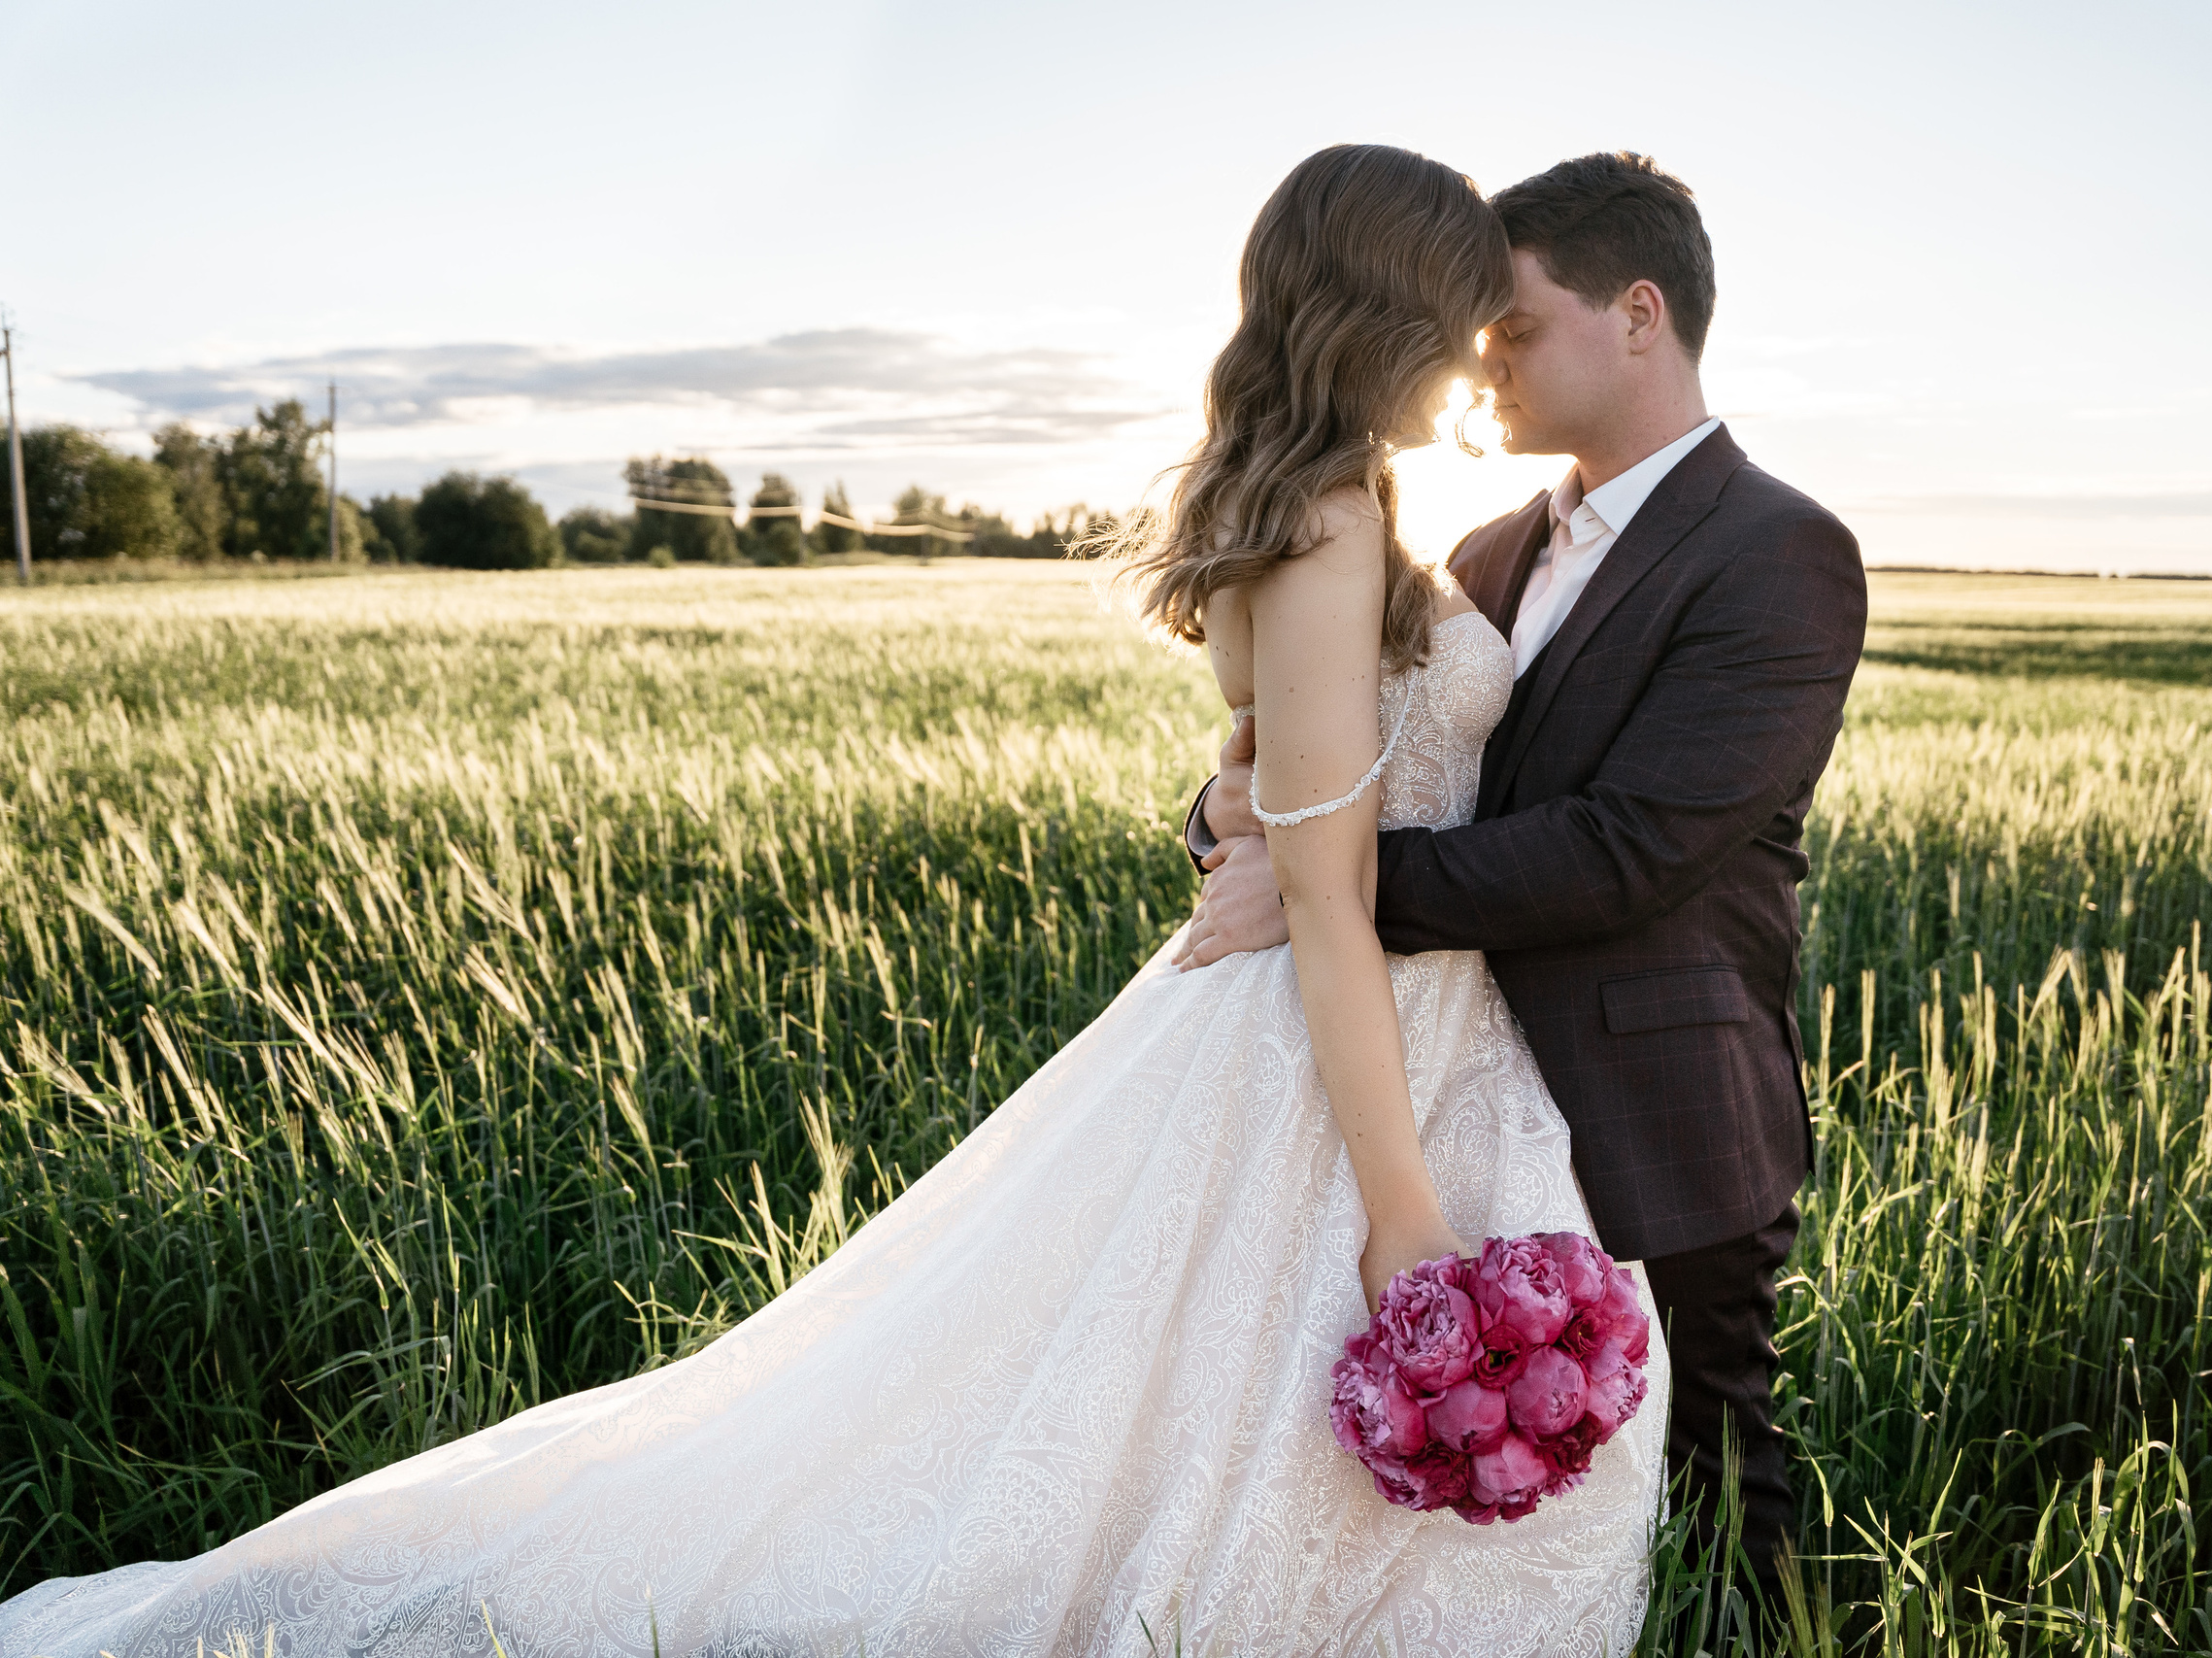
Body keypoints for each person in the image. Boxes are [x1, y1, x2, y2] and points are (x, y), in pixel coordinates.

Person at [0, 145, 1661, 1658]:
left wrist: (1269, 816)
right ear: (1394, 303)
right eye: (1464, 309)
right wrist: (1399, 1209)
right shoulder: (1318, 519)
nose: (1481, 345)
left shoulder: (1336, 497)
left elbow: (1312, 800)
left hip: (1415, 1019)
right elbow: (1325, 897)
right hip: (1337, 1037)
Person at [1177, 152, 1868, 1602]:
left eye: (1517, 326)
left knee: (1716, 1490)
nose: (1481, 358)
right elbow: (1344, 769)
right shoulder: (1485, 549)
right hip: (1452, 1092)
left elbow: (1636, 846)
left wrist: (1336, 891)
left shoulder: (1781, 551)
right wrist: (1235, 826)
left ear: (1637, 313)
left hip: (1656, 1109)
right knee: (1498, 1536)